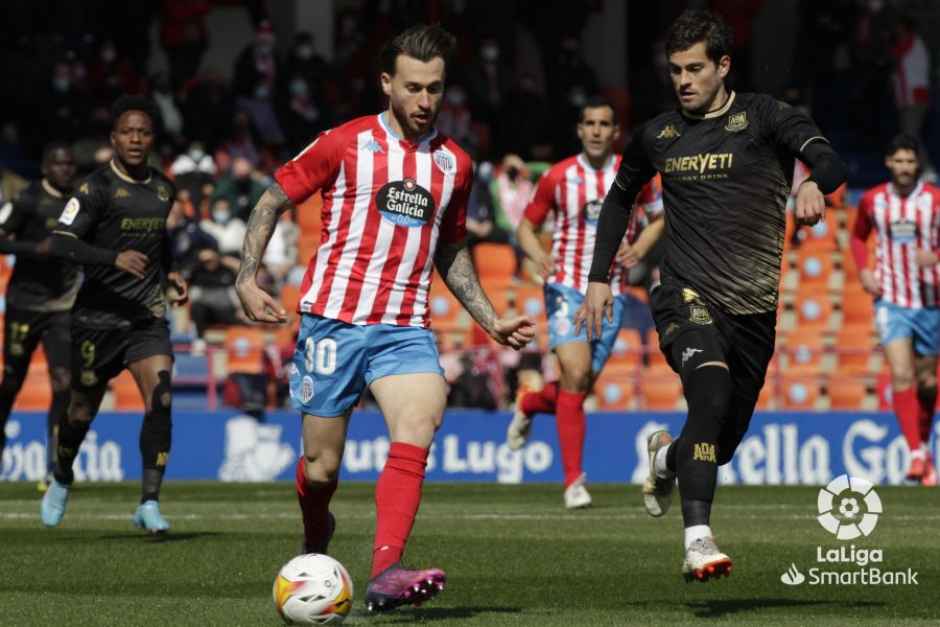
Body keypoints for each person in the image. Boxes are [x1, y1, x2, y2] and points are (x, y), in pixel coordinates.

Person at [234, 24, 534, 613]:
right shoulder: (343, 143)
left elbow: (450, 249)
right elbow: (272, 198)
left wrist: (491, 319)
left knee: (421, 419)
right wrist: (248, 274)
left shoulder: (455, 165)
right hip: (332, 322)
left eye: (436, 89)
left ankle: (385, 569)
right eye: (415, 87)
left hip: (404, 327)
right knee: (320, 471)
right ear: (387, 84)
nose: (426, 101)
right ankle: (316, 529)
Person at [577, 10, 847, 581]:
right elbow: (619, 200)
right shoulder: (658, 135)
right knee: (710, 394)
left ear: (723, 65)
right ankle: (698, 539)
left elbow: (828, 158)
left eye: (695, 68)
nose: (683, 81)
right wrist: (599, 276)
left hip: (753, 310)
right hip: (685, 295)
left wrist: (813, 184)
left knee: (717, 444)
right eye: (675, 70)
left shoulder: (765, 117)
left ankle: (667, 457)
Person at [506, 97, 665, 509]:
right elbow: (527, 227)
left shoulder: (634, 175)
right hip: (566, 287)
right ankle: (574, 481)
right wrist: (535, 253)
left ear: (616, 133)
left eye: (604, 124)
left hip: (611, 291)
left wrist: (642, 245)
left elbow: (659, 216)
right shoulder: (559, 176)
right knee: (575, 371)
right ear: (580, 130)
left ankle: (530, 402)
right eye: (589, 123)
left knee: (578, 386)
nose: (596, 130)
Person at [40, 95, 189, 533]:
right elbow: (61, 241)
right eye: (128, 132)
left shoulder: (163, 188)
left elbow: (159, 244)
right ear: (114, 139)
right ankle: (62, 476)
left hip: (145, 318)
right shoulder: (95, 188)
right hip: (96, 321)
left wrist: (173, 271)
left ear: (152, 138)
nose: (136, 139)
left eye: (143, 132)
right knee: (81, 412)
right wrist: (111, 258)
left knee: (161, 398)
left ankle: (148, 502)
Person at [852, 133, 939, 486]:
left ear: (918, 164)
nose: (904, 167)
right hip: (891, 299)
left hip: (931, 300)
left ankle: (924, 447)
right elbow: (858, 237)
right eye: (898, 161)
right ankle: (916, 454)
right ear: (889, 162)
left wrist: (935, 257)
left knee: (928, 382)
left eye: (910, 161)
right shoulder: (874, 200)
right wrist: (864, 271)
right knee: (901, 375)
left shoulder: (934, 200)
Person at [0, 143, 79, 489]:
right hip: (24, 304)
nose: (65, 170)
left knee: (64, 383)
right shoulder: (28, 200)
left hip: (62, 306)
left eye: (70, 165)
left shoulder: (78, 202)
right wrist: (36, 249)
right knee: (12, 382)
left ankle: (54, 466)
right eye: (59, 164)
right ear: (46, 168)